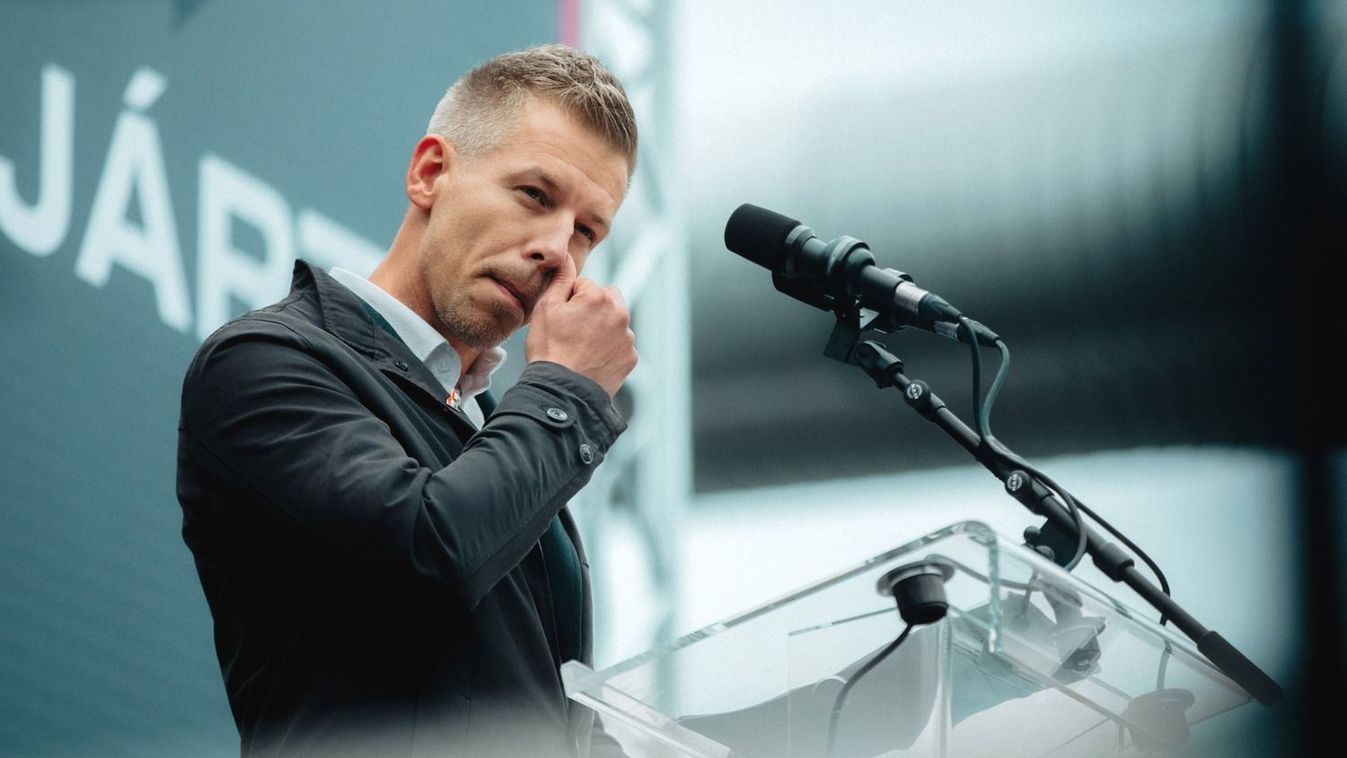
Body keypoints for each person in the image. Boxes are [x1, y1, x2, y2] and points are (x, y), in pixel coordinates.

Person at [177, 45, 637, 757]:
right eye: (534, 195)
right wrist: (566, 393)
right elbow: (427, 555)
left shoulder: (500, 433)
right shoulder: (265, 360)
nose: (558, 251)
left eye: (586, 231)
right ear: (430, 173)